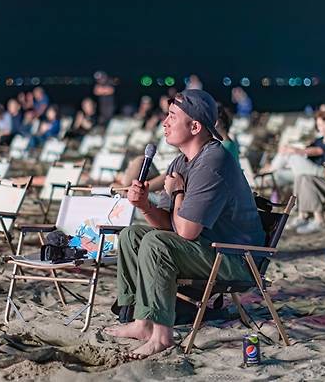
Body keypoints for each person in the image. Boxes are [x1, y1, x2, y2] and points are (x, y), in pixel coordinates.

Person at [105, 89, 264, 359]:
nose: (164, 122)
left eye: (171, 116)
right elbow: (169, 223)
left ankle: (162, 337)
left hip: (236, 259)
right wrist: (145, 205)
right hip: (208, 248)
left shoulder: (213, 160)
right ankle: (142, 322)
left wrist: (177, 191)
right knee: (133, 236)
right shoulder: (182, 161)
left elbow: (186, 231)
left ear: (195, 126)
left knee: (156, 243)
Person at [267, 110, 325, 187]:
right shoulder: (319, 140)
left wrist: (294, 150)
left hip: (322, 172)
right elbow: (306, 149)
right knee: (277, 174)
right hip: (306, 170)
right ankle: (261, 178)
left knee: (292, 155)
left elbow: (318, 151)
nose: (322, 128)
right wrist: (288, 149)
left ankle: (267, 171)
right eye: (319, 125)